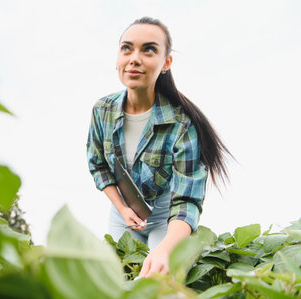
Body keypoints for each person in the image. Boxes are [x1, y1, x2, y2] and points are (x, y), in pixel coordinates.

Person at [86, 17, 231, 278]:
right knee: (114, 282)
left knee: (160, 280)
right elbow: (98, 166)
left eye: (148, 49)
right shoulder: (102, 110)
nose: (134, 58)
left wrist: (165, 249)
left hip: (166, 218)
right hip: (122, 215)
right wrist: (123, 209)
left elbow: (187, 200)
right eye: (126, 48)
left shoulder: (182, 124)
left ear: (166, 63)